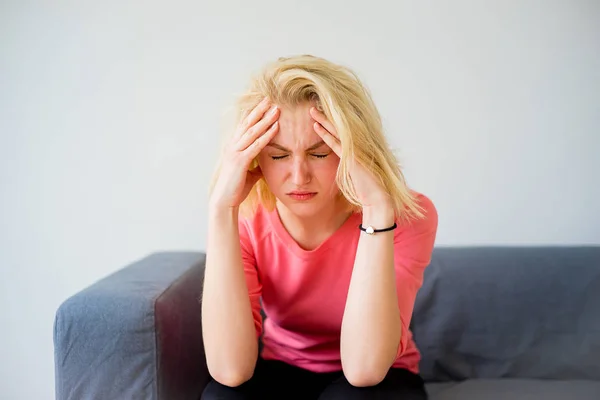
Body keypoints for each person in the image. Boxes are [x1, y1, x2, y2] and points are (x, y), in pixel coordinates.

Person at [201, 54, 438, 400]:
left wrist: (376, 211)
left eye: (320, 153)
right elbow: (230, 370)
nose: (299, 177)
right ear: (254, 157)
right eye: (279, 155)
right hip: (282, 370)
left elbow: (364, 370)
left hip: (380, 380)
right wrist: (221, 210)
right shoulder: (248, 218)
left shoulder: (408, 214)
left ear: (353, 150)